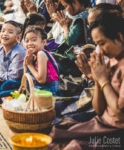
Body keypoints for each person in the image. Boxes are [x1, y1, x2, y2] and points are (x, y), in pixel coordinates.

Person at [50, 8, 124, 150]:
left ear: (119, 37)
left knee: (73, 146)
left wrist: (103, 80)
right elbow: (99, 109)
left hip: (116, 135)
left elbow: (120, 116)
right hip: (102, 123)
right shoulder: (111, 61)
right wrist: (96, 79)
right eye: (97, 44)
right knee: (57, 132)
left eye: (102, 43)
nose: (100, 50)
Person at [0, 26, 59, 103]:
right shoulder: (34, 55)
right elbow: (25, 80)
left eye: (34, 40)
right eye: (27, 41)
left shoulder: (41, 53)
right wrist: (25, 64)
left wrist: (29, 65)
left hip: (45, 92)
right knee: (7, 85)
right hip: (33, 87)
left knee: (0, 97)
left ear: (44, 42)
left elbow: (41, 80)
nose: (29, 43)